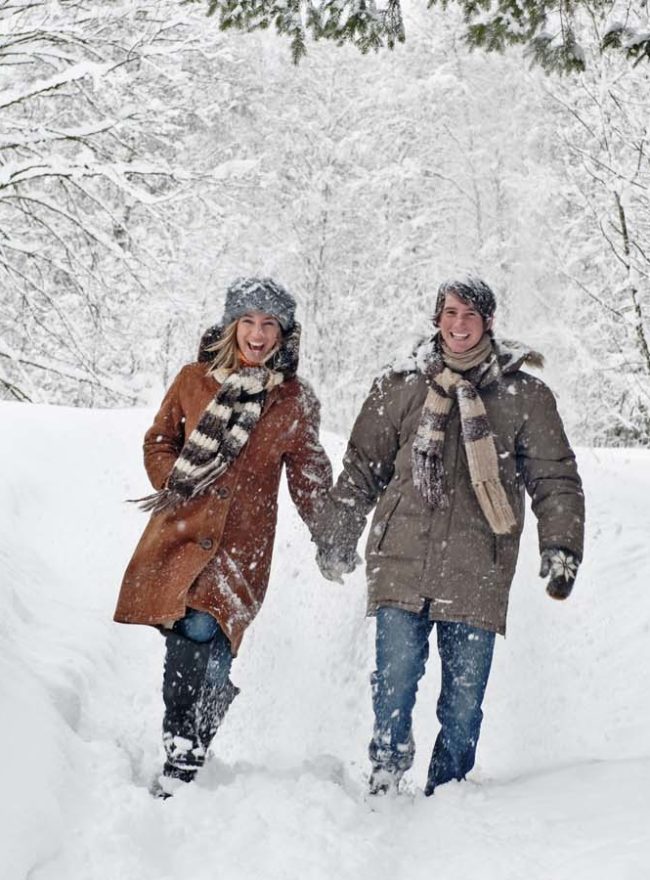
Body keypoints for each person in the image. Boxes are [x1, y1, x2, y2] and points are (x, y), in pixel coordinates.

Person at [314, 275, 584, 797]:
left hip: (478, 563)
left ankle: (450, 788)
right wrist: (337, 534)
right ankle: (386, 772)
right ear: (437, 318)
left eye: (471, 315)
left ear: (489, 322)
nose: (459, 326)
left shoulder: (523, 395)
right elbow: (362, 469)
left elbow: (554, 477)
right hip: (400, 556)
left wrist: (562, 546)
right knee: (394, 680)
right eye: (450, 313)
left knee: (463, 700)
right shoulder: (398, 386)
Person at [114, 277, 332, 797]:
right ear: (232, 325)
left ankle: (193, 741)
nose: (257, 335)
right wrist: (174, 478)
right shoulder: (193, 380)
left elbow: (309, 477)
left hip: (242, 551)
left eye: (269, 324)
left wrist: (334, 533)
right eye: (249, 322)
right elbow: (159, 440)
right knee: (189, 636)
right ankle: (181, 751)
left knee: (215, 652)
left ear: (284, 334)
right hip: (183, 537)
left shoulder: (293, 401)